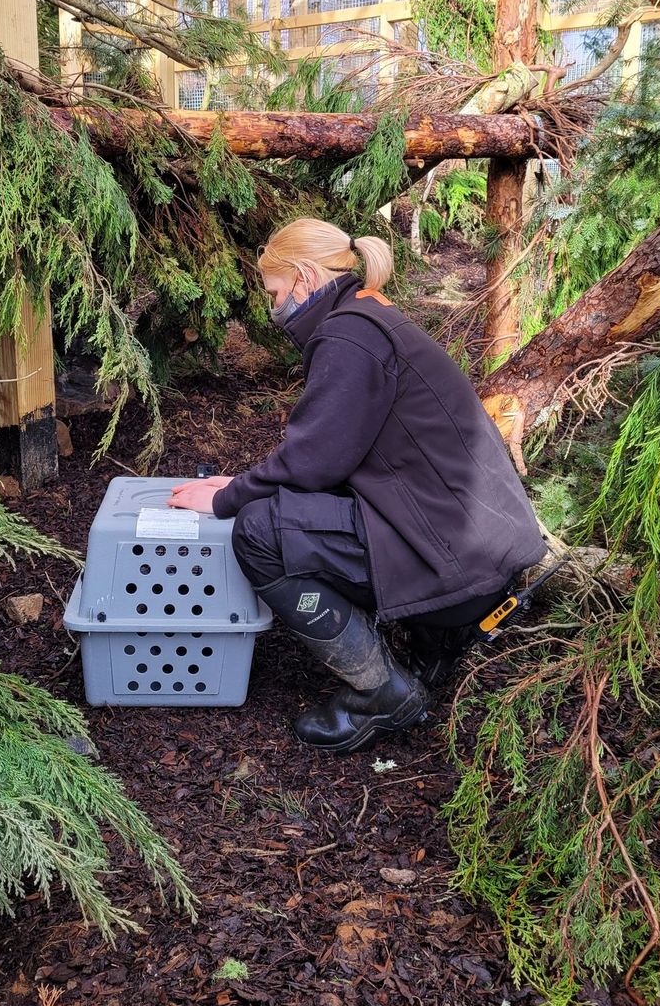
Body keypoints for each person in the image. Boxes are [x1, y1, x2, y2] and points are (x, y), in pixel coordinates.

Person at [168, 217, 547, 754]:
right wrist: (250, 482)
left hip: (455, 565)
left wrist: (230, 498)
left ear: (302, 276)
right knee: (280, 507)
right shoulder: (369, 316)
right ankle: (433, 643)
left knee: (258, 530)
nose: (271, 306)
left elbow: (312, 462)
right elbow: (335, 451)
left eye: (273, 292)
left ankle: (382, 694)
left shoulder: (349, 337)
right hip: (478, 552)